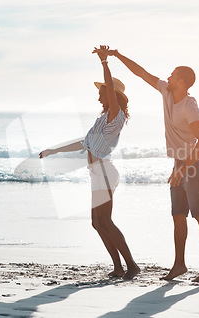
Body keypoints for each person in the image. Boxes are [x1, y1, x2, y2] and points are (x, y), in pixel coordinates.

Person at [102, 47, 199, 283]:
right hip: (179, 163)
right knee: (178, 215)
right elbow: (141, 73)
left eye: (173, 75)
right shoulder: (166, 91)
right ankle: (180, 264)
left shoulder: (190, 107)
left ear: (182, 81)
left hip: (193, 165)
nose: (169, 77)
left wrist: (184, 168)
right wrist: (117, 55)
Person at [39, 46, 140, 280]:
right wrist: (53, 150)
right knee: (97, 223)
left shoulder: (116, 115)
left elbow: (112, 96)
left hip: (105, 171)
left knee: (104, 220)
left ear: (112, 94)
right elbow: (83, 143)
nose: (98, 96)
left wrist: (105, 63)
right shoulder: (102, 119)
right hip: (97, 173)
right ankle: (118, 266)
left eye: (102, 92)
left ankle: (131, 265)